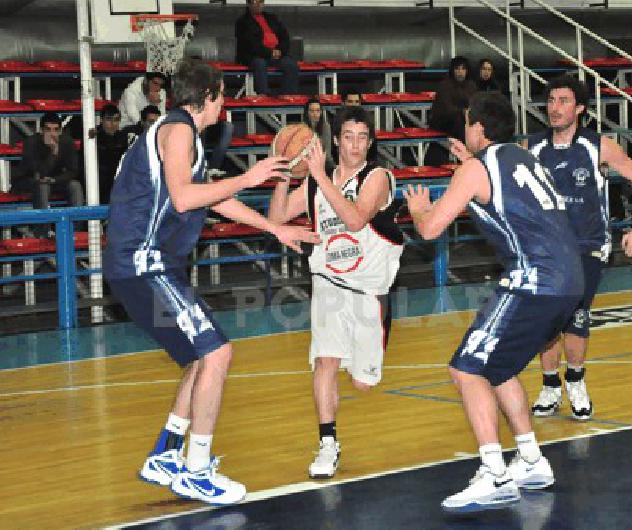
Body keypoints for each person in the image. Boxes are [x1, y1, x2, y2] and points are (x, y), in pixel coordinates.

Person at [103, 58, 319, 505]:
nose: (226, 103)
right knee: (218, 353)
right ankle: (196, 469)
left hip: (150, 265)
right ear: (209, 96)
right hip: (145, 263)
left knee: (201, 361)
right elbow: (184, 197)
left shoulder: (185, 136)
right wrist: (252, 175)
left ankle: (167, 453)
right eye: (223, 95)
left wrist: (273, 227)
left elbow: (214, 200)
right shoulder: (179, 130)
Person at [404, 91, 583, 513]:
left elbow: (430, 230)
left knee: (465, 369)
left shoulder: (474, 169)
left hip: (534, 279)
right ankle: (531, 460)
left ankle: (494, 473)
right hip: (569, 281)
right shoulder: (524, 158)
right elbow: (503, 196)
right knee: (499, 369)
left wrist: (416, 209)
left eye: (468, 122)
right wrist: (472, 162)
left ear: (478, 127)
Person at [268, 105, 404, 480]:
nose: (356, 144)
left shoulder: (378, 177)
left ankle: (357, 365)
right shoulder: (316, 179)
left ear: (370, 142)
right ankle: (328, 442)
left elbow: (356, 218)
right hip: (328, 284)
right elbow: (277, 218)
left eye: (363, 137)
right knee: (325, 363)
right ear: (337, 140)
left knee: (362, 383)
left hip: (369, 292)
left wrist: (317, 176)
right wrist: (284, 172)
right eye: (348, 137)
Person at [523, 75, 632, 420]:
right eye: (551, 101)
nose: (555, 107)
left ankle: (575, 381)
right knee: (546, 320)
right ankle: (550, 385)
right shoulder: (532, 148)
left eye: (563, 101)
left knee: (574, 316)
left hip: (587, 247)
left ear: (579, 108)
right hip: (546, 250)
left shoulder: (598, 146)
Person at [12, 112, 84, 216]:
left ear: (60, 131)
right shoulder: (31, 143)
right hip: (28, 180)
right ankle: (43, 229)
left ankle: (75, 229)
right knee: (42, 186)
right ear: (41, 130)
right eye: (48, 129)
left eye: (56, 130)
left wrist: (55, 180)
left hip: (54, 180)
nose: (52, 133)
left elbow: (73, 171)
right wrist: (53, 153)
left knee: (75, 185)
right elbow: (38, 173)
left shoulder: (67, 142)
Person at [235, 0, 299, 96]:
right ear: (248, 4)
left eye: (261, 1)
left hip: (277, 53)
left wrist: (280, 51)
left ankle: (288, 95)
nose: (258, 4)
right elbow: (250, 44)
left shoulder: (272, 18)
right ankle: (263, 95)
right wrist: (270, 52)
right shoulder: (242, 22)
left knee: (291, 65)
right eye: (255, 2)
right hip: (255, 55)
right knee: (260, 64)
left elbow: (285, 37)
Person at [429, 56, 477, 141]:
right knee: (458, 121)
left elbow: (474, 104)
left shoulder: (471, 85)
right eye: (457, 69)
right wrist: (463, 112)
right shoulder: (445, 85)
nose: (460, 72)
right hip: (444, 120)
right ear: (453, 70)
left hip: (464, 119)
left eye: (463, 69)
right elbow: (446, 109)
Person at [95, 104, 128, 203]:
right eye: (109, 119)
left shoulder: (122, 137)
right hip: (99, 180)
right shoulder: (93, 137)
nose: (113, 124)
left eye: (116, 120)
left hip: (117, 179)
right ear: (101, 120)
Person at [303, 97, 334, 171]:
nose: (315, 114)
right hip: (306, 164)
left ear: (321, 112)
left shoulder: (325, 127)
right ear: (307, 113)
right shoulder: (302, 128)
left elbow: (327, 153)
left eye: (317, 111)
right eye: (312, 111)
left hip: (324, 163)